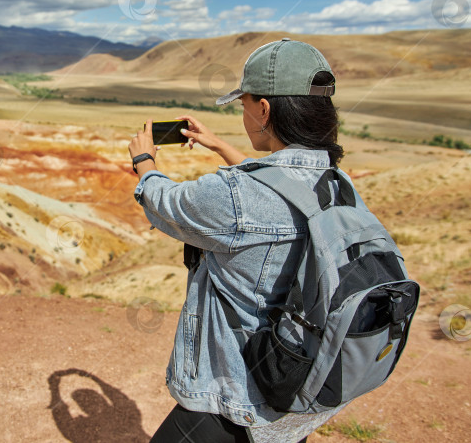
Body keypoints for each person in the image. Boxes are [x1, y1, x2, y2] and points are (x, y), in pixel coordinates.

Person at [128, 38, 351, 443]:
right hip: (295, 385)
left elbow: (168, 205)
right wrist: (218, 145)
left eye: (244, 103)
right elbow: (277, 188)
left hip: (232, 399)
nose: (243, 112)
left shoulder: (237, 196)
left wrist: (145, 162)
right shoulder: (337, 183)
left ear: (263, 109)